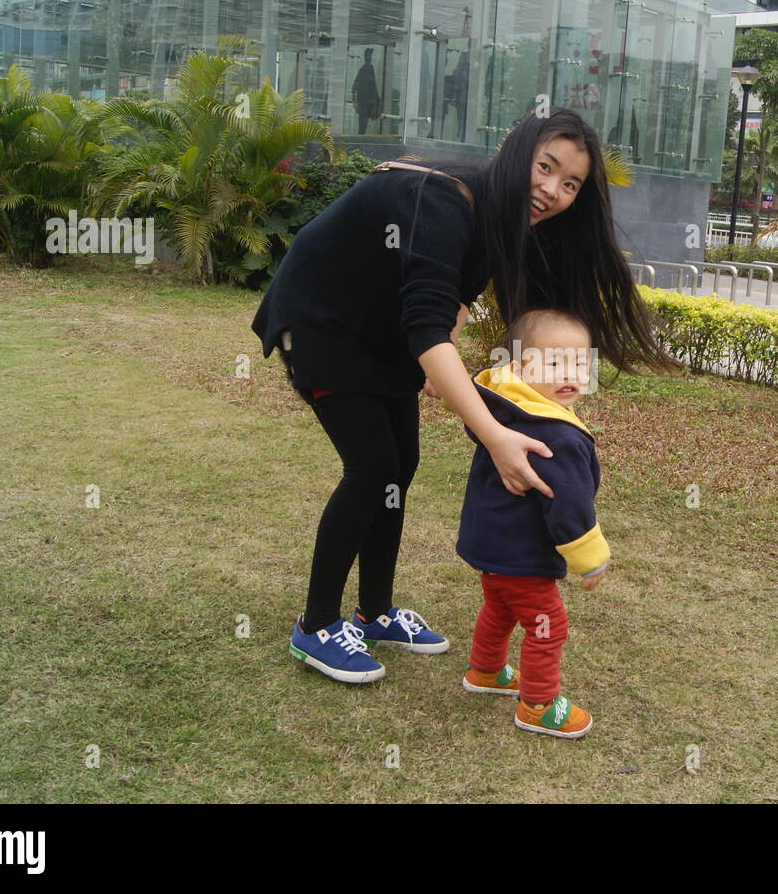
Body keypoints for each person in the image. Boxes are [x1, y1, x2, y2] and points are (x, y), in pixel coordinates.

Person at [250, 106, 674, 686]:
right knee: (372, 467)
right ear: (516, 152)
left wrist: (448, 345)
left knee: (402, 465)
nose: (551, 189)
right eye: (545, 167)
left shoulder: (502, 221)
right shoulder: (445, 201)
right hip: (321, 320)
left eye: (570, 183)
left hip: (381, 331)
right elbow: (425, 324)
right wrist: (495, 435)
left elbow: (442, 304)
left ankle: (374, 613)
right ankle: (315, 625)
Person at [456, 308, 607, 738]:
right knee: (547, 624)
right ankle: (539, 705)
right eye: (555, 362)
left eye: (580, 363)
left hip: (488, 545)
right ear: (521, 367)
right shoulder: (557, 435)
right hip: (522, 554)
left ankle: (486, 671)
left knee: (500, 608)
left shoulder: (503, 410)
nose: (571, 373)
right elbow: (569, 505)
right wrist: (589, 559)